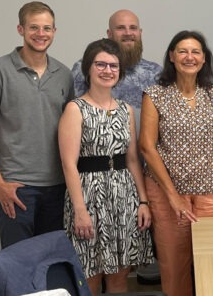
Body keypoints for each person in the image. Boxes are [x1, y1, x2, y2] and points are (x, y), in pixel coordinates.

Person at [139, 30, 213, 296]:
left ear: (204, 59)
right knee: (175, 266)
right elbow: (147, 147)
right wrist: (173, 196)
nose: (189, 57)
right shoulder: (155, 95)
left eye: (195, 52)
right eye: (182, 51)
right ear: (172, 56)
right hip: (169, 195)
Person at [0, 1, 74, 249]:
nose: (41, 34)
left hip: (57, 186)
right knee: (19, 263)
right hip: (16, 188)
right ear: (20, 29)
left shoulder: (63, 74)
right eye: (34, 27)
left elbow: (70, 132)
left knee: (50, 262)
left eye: (47, 28)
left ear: (55, 31)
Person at [59, 39, 153, 295]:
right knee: (90, 274)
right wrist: (80, 210)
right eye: (101, 64)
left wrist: (143, 202)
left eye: (113, 66)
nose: (107, 70)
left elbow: (133, 159)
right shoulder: (75, 109)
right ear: (89, 68)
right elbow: (68, 163)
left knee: (120, 276)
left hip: (124, 196)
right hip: (89, 197)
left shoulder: (126, 111)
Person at [71, 9, 162, 127]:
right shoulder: (86, 68)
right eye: (120, 28)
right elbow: (73, 115)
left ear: (140, 33)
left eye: (133, 28)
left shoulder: (155, 73)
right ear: (109, 34)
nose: (128, 33)